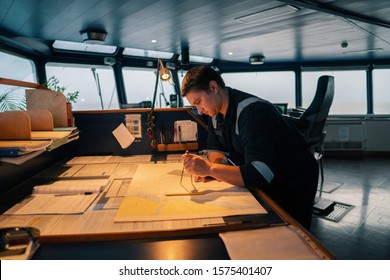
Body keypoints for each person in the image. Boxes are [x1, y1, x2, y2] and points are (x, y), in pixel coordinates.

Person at [180, 66, 319, 230]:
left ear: (213, 88)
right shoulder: (215, 112)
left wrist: (210, 169)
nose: (199, 110)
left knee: (293, 238)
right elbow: (215, 147)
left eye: (199, 102)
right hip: (267, 179)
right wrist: (217, 167)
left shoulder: (253, 112)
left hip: (292, 180)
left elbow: (261, 173)